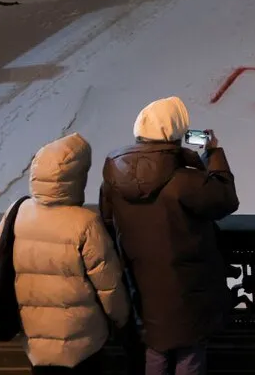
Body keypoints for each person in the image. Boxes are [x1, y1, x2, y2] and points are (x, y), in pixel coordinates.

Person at [100, 97, 239, 375]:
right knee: (189, 348)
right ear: (175, 132)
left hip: (141, 278)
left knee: (157, 344)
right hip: (188, 281)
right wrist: (213, 154)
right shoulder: (183, 181)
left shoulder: (114, 178)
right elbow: (224, 199)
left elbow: (107, 221)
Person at [0, 134, 131, 374]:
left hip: (34, 332)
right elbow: (109, 285)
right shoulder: (85, 223)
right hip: (82, 338)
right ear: (77, 178)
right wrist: (121, 318)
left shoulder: (16, 211)